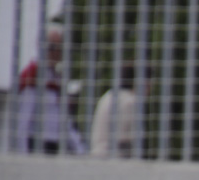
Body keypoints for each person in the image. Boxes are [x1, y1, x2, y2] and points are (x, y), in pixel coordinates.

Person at [14, 24, 86, 155]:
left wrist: (81, 151)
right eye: (52, 47)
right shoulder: (33, 75)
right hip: (35, 144)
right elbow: (22, 122)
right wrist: (22, 155)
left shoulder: (56, 78)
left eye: (59, 47)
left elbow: (65, 121)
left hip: (54, 146)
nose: (56, 52)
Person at [91, 63, 149, 158]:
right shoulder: (130, 101)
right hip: (116, 160)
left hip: (98, 155)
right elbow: (127, 140)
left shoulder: (108, 96)